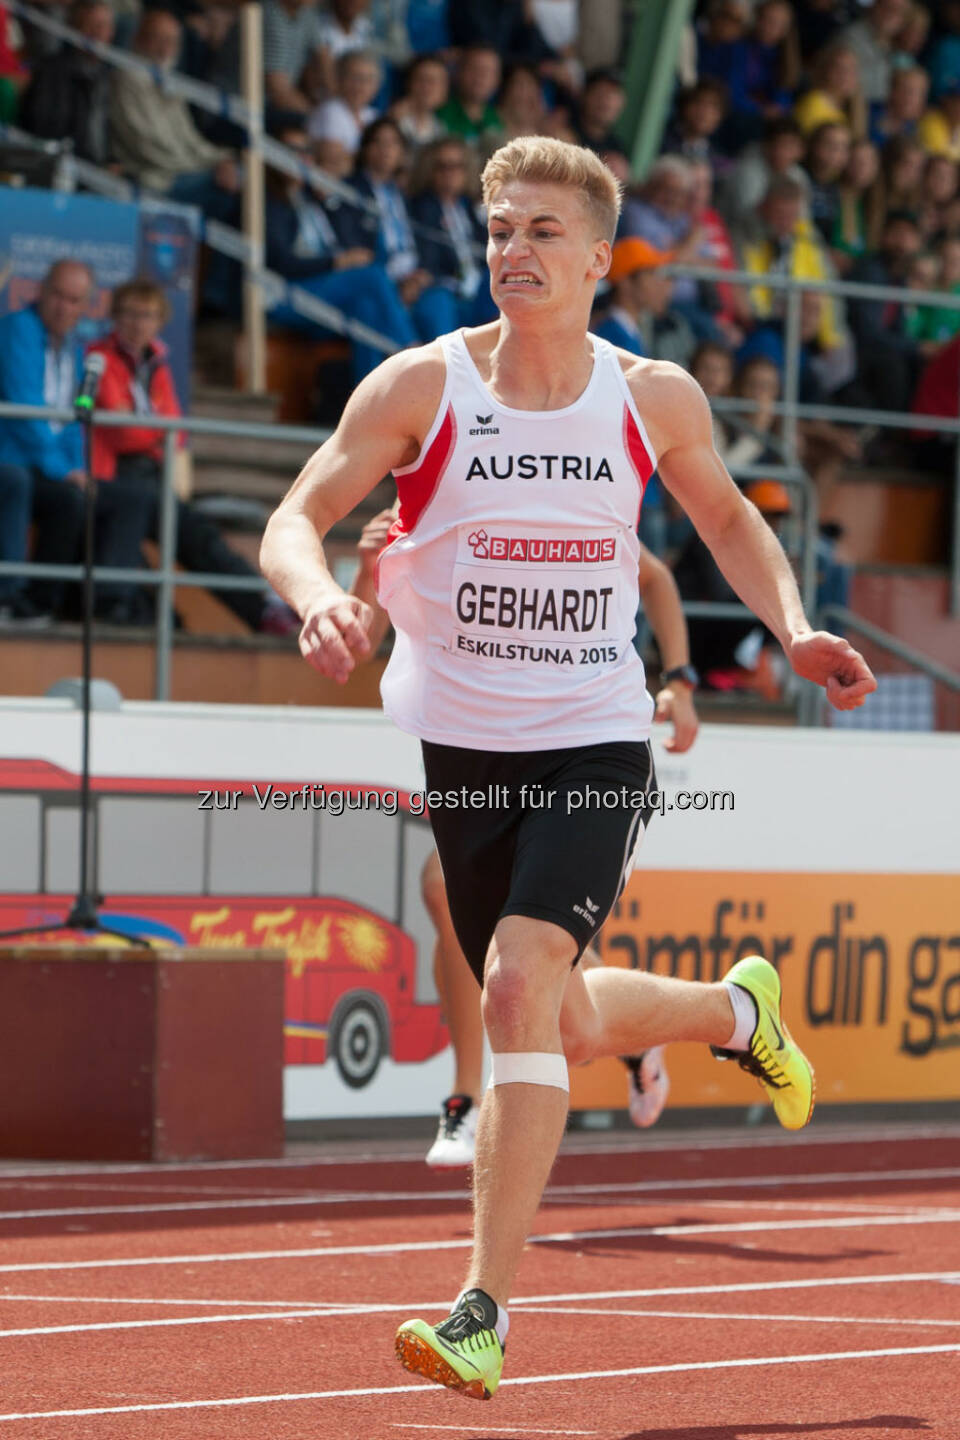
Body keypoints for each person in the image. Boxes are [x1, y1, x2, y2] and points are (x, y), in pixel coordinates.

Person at [260, 135, 876, 1402]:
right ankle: (731, 1013)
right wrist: (317, 594)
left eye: (543, 230)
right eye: (497, 227)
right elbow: (294, 514)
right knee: (568, 1019)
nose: (513, 251)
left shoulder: (650, 398)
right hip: (465, 750)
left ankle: (482, 1311)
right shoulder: (419, 389)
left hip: (593, 735)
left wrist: (791, 623)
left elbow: (726, 520)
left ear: (601, 256)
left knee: (516, 983)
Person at [349, 507, 700, 1161]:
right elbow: (357, 644)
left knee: (448, 890)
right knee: (500, 928)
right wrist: (366, 575)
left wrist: (678, 680)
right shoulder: (414, 515)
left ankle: (464, 1100)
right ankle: (630, 1034)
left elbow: (654, 578)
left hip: (573, 748)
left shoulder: (548, 499)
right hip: (475, 752)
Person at [85, 280, 295, 633]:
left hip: (151, 474)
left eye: (148, 316)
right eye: (132, 314)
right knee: (172, 535)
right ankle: (172, 619)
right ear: (116, 317)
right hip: (113, 475)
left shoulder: (156, 361)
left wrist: (150, 431)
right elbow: (123, 432)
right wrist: (155, 432)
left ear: (159, 321)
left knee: (200, 537)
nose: (139, 323)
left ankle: (264, 610)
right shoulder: (99, 358)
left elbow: (177, 430)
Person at [0, 260, 91, 623]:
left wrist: (76, 469)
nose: (63, 307)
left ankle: (39, 603)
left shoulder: (75, 348)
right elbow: (26, 409)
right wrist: (61, 468)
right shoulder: (18, 329)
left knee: (72, 500)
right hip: (10, 457)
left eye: (74, 300)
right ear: (40, 290)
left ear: (84, 307)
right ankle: (8, 595)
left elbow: (74, 421)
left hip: (39, 464)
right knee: (16, 483)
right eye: (57, 295)